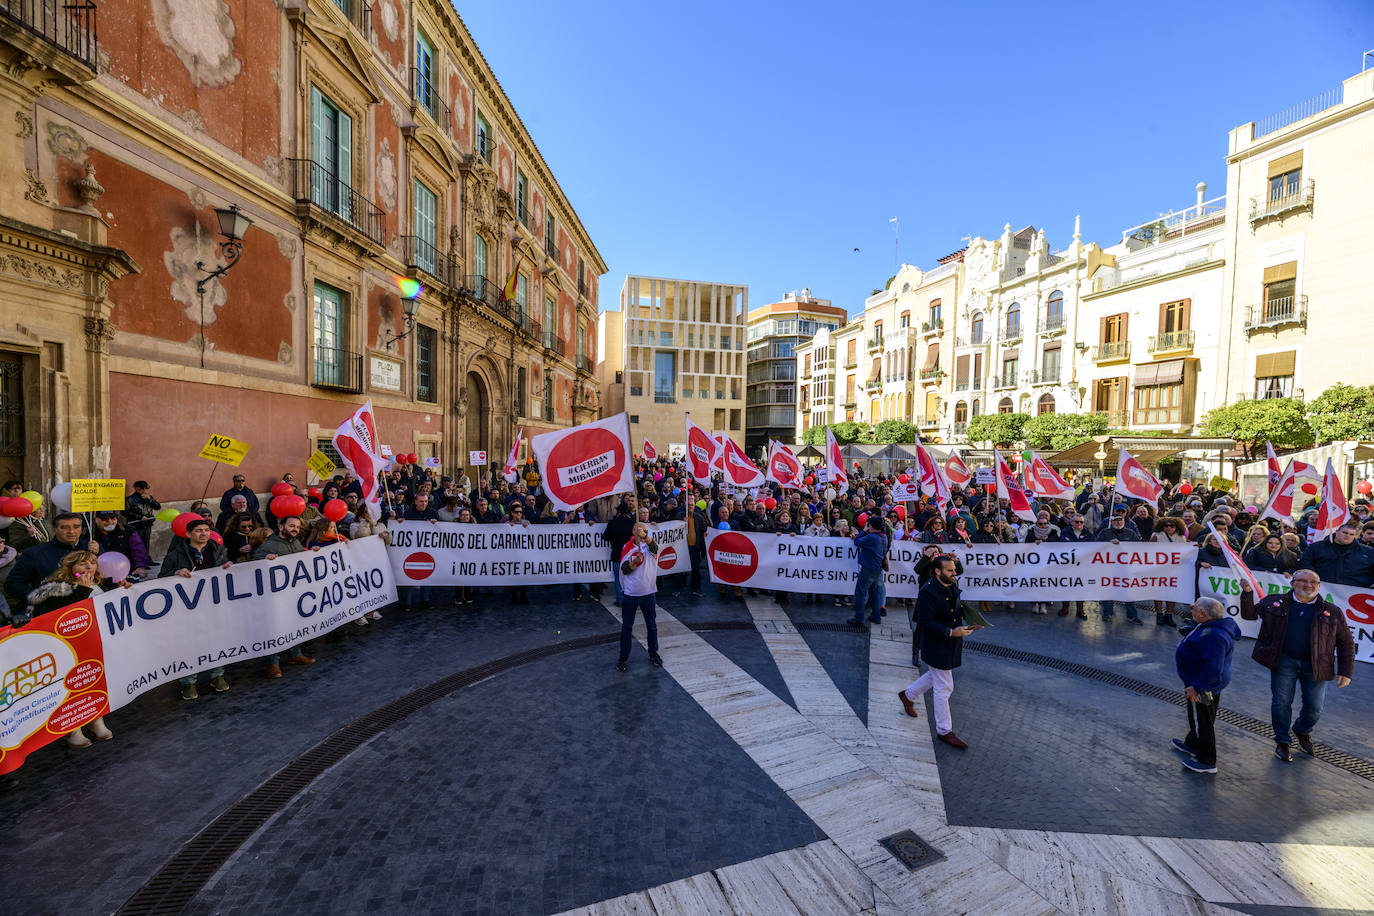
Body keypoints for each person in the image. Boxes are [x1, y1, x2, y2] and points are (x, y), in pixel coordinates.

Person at [1239, 571, 1354, 762]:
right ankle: (1283, 741)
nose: (1308, 585)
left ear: (1319, 585)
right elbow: (1249, 614)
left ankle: (1302, 730)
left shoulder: (1332, 611)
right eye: (1303, 581)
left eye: (1313, 582)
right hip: (1284, 661)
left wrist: (1346, 671)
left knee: (1315, 707)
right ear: (1293, 583)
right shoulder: (1274, 602)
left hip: (1318, 665)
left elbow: (1346, 642)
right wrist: (1247, 592)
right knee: (1282, 702)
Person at [22, 551, 116, 745]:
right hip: (66, 647)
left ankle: (96, 719)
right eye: (82, 564)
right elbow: (63, 615)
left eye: (91, 563)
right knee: (72, 686)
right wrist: (82, 590)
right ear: (70, 567)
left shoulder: (98, 584)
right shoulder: (55, 588)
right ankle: (73, 728)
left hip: (92, 641)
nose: (88, 567)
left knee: (94, 682)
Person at [897, 554, 976, 749]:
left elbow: (956, 607)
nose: (954, 573)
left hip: (950, 642)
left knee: (935, 676)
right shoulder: (927, 592)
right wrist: (951, 631)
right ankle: (944, 731)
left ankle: (908, 695)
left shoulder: (951, 583)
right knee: (945, 686)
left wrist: (972, 621)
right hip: (937, 643)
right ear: (938, 571)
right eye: (950, 570)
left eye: (954, 569)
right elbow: (924, 622)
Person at [158, 518, 234, 698]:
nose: (203, 533)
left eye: (206, 530)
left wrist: (229, 568)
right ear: (188, 534)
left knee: (216, 639)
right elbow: (161, 578)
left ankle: (217, 675)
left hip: (213, 604)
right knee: (189, 643)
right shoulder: (175, 555)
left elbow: (224, 573)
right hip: (186, 607)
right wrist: (174, 574)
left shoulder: (219, 550)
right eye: (199, 530)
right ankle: (189, 682)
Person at [1171, 597, 1240, 775]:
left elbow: (1213, 668)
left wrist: (1197, 687)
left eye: (1194, 606)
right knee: (1198, 716)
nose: (1191, 607)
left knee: (1204, 720)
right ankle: (1193, 743)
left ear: (1203, 613)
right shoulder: (1211, 626)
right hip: (1200, 682)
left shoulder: (1213, 636)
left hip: (1202, 686)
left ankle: (1207, 760)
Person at [253, 515, 318, 677]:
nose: (295, 529)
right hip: (275, 597)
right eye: (291, 526)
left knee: (294, 623)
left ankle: (295, 654)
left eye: (297, 527)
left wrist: (312, 554)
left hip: (294, 594)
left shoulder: (296, 542)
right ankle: (272, 664)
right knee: (275, 627)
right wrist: (264, 559)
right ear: (281, 527)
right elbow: (253, 565)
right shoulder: (269, 545)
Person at [5, 512, 97, 615]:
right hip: (51, 616)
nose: (71, 531)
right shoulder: (35, 553)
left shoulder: (91, 548)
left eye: (76, 527)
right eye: (64, 527)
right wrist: (41, 596)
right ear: (54, 530)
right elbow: (12, 585)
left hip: (91, 612)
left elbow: (104, 577)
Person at [615, 521, 662, 672]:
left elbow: (655, 548)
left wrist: (645, 538)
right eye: (640, 529)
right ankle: (623, 657)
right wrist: (634, 564)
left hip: (648, 593)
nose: (643, 532)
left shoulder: (650, 544)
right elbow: (624, 569)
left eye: (645, 530)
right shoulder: (627, 547)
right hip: (631, 594)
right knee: (627, 627)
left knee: (651, 625)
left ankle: (653, 653)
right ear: (633, 530)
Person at [1096, 511, 1143, 624]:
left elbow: (1139, 547)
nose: (1118, 522)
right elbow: (1096, 545)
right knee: (1109, 591)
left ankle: (1132, 615)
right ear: (1111, 522)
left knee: (1128, 592)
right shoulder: (1104, 532)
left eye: (1120, 520)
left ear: (1124, 521)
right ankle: (1107, 613)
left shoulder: (1131, 533)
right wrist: (1108, 543)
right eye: (1115, 520)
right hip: (1108, 568)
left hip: (1126, 568)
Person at [1297, 521, 1374, 587]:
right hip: (1321, 588)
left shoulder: (1368, 552)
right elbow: (1305, 562)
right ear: (1337, 532)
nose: (1347, 536)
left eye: (1351, 534)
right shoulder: (1316, 547)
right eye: (1345, 532)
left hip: (1354, 592)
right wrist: (1314, 577)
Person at [1150, 516, 1189, 627]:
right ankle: (1159, 614)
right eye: (1166, 526)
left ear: (1177, 527)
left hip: (1175, 569)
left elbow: (1185, 552)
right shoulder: (1156, 536)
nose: (1169, 528)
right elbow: (1148, 551)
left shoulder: (1181, 537)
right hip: (1159, 569)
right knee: (1159, 592)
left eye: (1172, 526)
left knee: (1172, 592)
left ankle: (1169, 614)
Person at [91, 510, 151, 580]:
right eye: (104, 519)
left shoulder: (128, 531)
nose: (110, 522)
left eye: (113, 518)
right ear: (95, 519)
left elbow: (139, 550)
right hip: (97, 576)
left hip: (125, 574)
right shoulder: (89, 533)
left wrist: (140, 567)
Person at [849, 516, 887, 626]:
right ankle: (876, 616)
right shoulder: (883, 536)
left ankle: (859, 618)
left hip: (868, 569)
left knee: (860, 593)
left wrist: (863, 531)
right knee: (875, 594)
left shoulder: (871, 537)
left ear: (870, 526)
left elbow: (857, 541)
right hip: (877, 569)